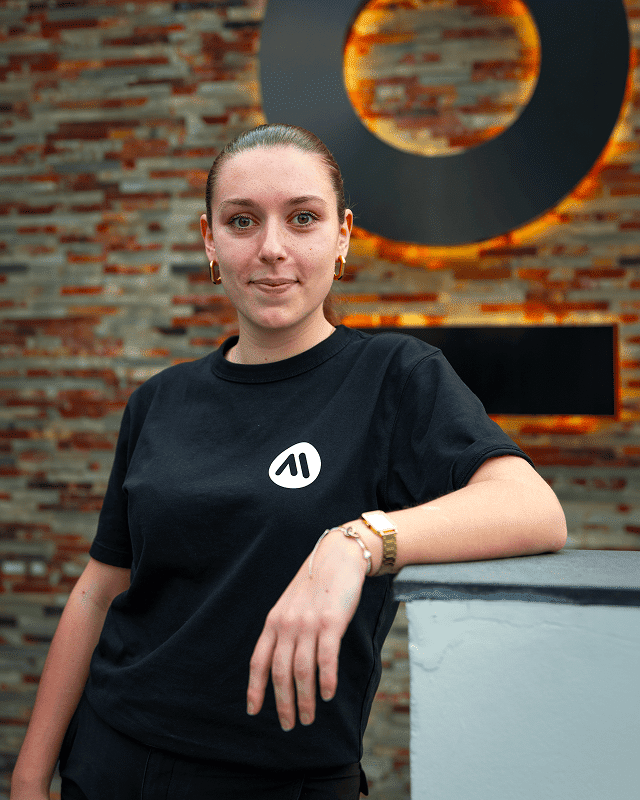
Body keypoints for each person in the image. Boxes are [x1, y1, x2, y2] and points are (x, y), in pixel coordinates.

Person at [11, 123, 567, 800]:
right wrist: (30, 774)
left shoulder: (393, 377)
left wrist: (357, 543)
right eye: (242, 221)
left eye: (302, 218)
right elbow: (98, 592)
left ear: (342, 236)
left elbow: (533, 508)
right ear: (210, 241)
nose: (271, 248)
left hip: (282, 781)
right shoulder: (159, 400)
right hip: (110, 762)